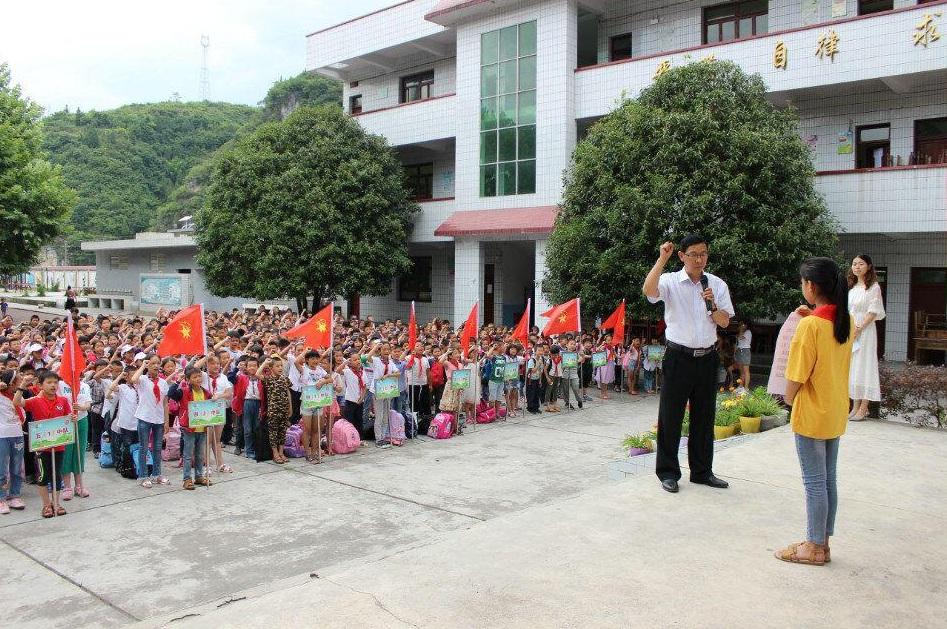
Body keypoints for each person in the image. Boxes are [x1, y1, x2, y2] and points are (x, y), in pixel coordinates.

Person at [775, 257, 853, 566]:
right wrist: (814, 315)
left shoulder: (809, 326)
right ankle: (824, 543)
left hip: (811, 413)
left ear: (811, 286)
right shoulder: (845, 323)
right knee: (828, 480)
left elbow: (795, 377)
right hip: (834, 411)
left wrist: (789, 399)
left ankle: (813, 546)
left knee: (813, 483)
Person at [643, 235, 734, 494]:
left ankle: (703, 472)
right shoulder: (671, 281)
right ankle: (668, 473)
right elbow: (649, 291)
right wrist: (662, 259)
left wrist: (713, 306)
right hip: (678, 357)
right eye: (693, 254)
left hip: (707, 357)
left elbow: (725, 321)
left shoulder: (716, 284)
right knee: (670, 416)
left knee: (704, 417)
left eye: (703, 253)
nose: (699, 259)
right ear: (682, 256)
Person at [14, 370, 75, 518]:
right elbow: (17, 403)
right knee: (43, 476)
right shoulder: (35, 401)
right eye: (49, 382)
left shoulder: (63, 401)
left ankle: (56, 503)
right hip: (42, 447)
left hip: (59, 445)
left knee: (57, 476)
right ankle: (46, 505)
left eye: (55, 382)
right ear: (40, 385)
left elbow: (68, 417)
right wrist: (22, 386)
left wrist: (72, 418)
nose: (53, 385)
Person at [847, 254, 885, 421]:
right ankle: (854, 406)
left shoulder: (874, 287)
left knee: (866, 365)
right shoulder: (852, 288)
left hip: (866, 331)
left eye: (861, 264)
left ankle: (864, 407)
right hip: (852, 330)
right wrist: (851, 329)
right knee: (854, 366)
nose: (857, 267)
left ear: (869, 266)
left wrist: (859, 329)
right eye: (854, 264)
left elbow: (873, 311)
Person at [129, 355, 170, 488]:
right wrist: (143, 366)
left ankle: (156, 474)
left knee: (157, 448)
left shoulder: (163, 382)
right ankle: (143, 476)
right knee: (144, 447)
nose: (156, 366)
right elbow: (133, 379)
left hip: (158, 419)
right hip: (145, 417)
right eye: (152, 363)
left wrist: (166, 421)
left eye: (158, 363)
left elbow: (165, 403)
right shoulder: (142, 379)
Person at [168, 368, 213, 489]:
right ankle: (187, 479)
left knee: (200, 455)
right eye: (194, 377)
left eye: (199, 376)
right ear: (188, 380)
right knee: (188, 455)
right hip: (188, 428)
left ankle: (199, 476)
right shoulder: (183, 392)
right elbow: (171, 393)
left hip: (202, 428)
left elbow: (210, 408)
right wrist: (177, 381)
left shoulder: (206, 393)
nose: (198, 379)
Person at [0, 370, 27, 513]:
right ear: (11, 382)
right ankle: (1, 498)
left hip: (17, 433)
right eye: (18, 380)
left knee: (16, 467)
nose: (21, 381)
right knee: (1, 469)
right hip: (2, 436)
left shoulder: (17, 395)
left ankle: (14, 495)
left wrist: (20, 388)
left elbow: (20, 403)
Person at [734, 321, 753, 388]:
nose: (741, 325)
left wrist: (741, 330)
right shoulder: (741, 332)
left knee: (746, 370)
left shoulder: (748, 332)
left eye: (743, 324)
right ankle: (741, 386)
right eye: (740, 324)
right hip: (740, 350)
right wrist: (735, 353)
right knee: (741, 371)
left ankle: (746, 387)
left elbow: (740, 337)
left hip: (745, 351)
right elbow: (737, 343)